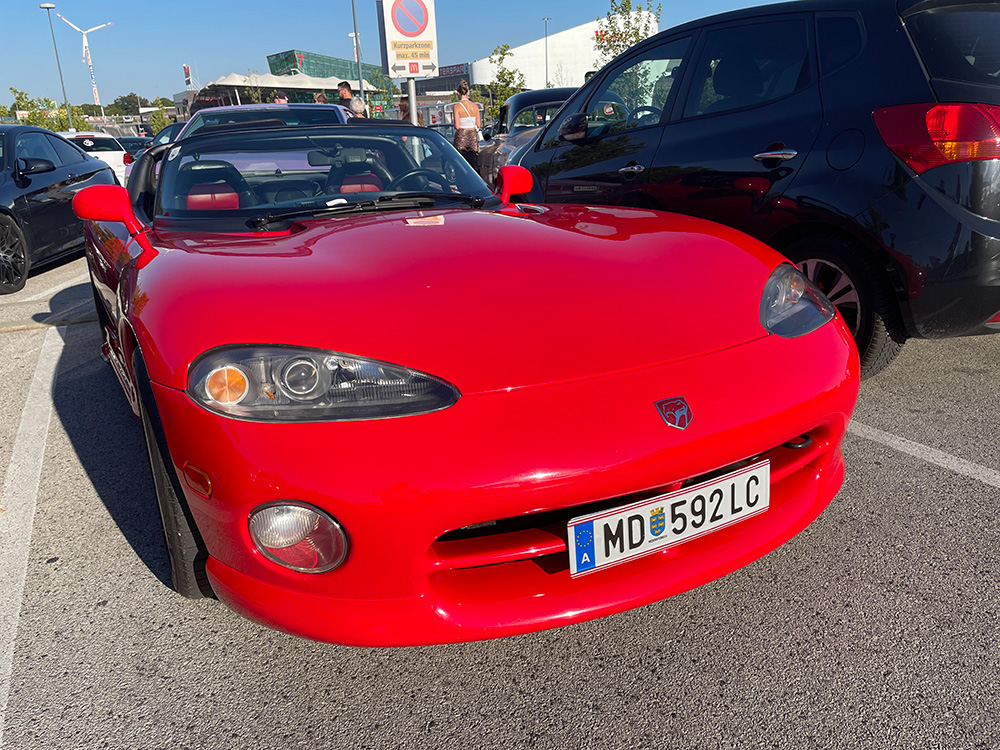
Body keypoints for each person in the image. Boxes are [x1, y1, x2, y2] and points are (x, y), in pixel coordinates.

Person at [452, 81, 481, 168]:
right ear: (468, 92)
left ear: (458, 93)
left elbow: (457, 126)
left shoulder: (457, 106)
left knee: (460, 162)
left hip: (462, 136)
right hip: (472, 136)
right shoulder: (475, 106)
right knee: (473, 161)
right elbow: (478, 124)